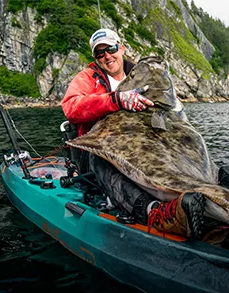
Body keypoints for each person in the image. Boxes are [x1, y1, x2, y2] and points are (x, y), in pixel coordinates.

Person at [61, 28, 204, 239]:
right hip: (103, 147)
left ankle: (197, 190)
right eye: (100, 53)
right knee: (103, 158)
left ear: (121, 48)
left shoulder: (141, 74)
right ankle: (153, 212)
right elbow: (71, 107)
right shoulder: (88, 77)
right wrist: (115, 100)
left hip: (147, 146)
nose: (107, 56)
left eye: (110, 49)